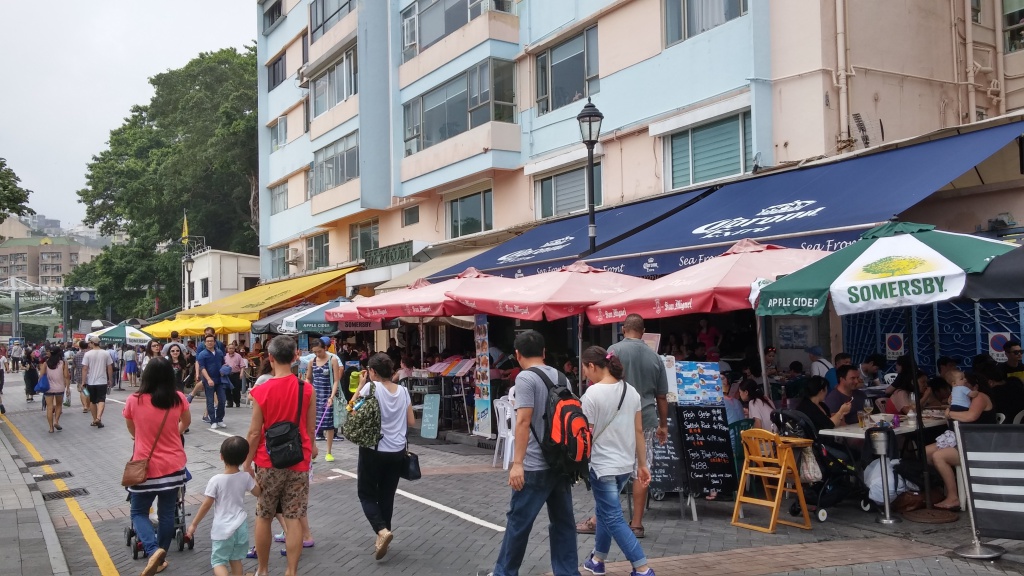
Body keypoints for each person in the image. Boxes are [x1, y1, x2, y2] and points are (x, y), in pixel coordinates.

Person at [489, 330, 579, 576]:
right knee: (563, 523)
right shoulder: (563, 377)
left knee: (519, 523)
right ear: (544, 352)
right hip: (561, 463)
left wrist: (517, 463)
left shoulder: (525, 379)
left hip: (535, 466)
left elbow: (523, 421)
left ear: (517, 355)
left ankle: (504, 573)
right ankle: (568, 572)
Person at [577, 314, 667, 540]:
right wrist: (663, 425)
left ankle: (600, 519)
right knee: (641, 471)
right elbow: (662, 396)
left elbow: (601, 383)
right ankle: (636, 524)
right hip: (644, 419)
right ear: (643, 331)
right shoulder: (655, 357)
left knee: (609, 468)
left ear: (624, 329)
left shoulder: (613, 350)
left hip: (615, 419)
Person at [578, 346, 655, 576]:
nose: (584, 374)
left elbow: (585, 433)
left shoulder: (591, 395)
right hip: (625, 464)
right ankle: (598, 559)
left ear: (592, 366)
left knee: (612, 517)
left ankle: (642, 567)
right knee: (604, 512)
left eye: (584, 368)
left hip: (602, 465)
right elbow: (639, 431)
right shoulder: (631, 391)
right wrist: (642, 465)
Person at [244, 335, 316, 576]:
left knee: (264, 515)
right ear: (295, 357)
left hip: (268, 460)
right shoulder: (306, 389)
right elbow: (309, 427)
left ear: (270, 358)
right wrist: (312, 450)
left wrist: (246, 462)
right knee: (294, 516)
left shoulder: (260, 391)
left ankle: (263, 569)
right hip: (298, 460)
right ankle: (291, 571)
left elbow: (255, 433)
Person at [123, 357, 191, 576]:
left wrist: (145, 439)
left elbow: (132, 432)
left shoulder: (134, 400)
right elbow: (186, 423)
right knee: (167, 512)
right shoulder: (178, 398)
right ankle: (161, 553)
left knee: (138, 511)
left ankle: (152, 550)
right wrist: (173, 433)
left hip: (145, 466)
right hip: (173, 465)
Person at [351, 353, 414, 560]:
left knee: (366, 494)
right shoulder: (403, 391)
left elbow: (351, 409)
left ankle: (381, 531)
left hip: (373, 449)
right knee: (387, 496)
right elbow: (411, 421)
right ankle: (383, 533)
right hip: (397, 451)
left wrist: (360, 386)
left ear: (373, 372)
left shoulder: (371, 388)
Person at [187, 436, 261, 576]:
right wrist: (253, 476)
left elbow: (206, 505)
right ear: (244, 457)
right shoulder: (245, 477)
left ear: (221, 456)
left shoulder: (216, 480)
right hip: (240, 527)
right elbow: (258, 493)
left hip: (222, 529)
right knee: (236, 560)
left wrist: (194, 524)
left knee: (218, 562)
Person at [926, 371, 997, 510]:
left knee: (939, 456)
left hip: (978, 444)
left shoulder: (980, 397)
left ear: (974, 387)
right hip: (961, 440)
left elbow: (971, 417)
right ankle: (948, 488)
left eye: (965, 384)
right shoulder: (962, 400)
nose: (961, 387)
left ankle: (953, 498)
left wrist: (950, 412)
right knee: (926, 452)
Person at [304, 337, 341, 462]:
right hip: (315, 397)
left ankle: (329, 452)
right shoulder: (312, 362)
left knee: (329, 425)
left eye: (319, 351)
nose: (317, 354)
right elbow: (308, 378)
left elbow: (336, 380)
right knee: (313, 424)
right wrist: (307, 387)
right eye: (315, 352)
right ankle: (313, 451)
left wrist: (332, 396)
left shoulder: (332, 360)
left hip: (327, 396)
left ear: (325, 348)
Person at [80, 336, 113, 428]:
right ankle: (98, 418)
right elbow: (109, 367)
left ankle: (95, 419)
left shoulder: (87, 354)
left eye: (89, 343)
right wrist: (110, 379)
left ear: (92, 343)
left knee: (93, 401)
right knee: (102, 399)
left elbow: (85, 368)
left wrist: (83, 381)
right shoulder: (105, 353)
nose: (89, 344)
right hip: (102, 381)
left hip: (91, 381)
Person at [197, 335, 228, 429]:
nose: (210, 342)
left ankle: (219, 419)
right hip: (209, 380)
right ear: (205, 343)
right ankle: (213, 420)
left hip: (220, 379)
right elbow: (202, 368)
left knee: (222, 400)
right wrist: (208, 379)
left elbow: (223, 363)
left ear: (215, 342)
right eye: (207, 341)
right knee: (210, 401)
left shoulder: (219, 352)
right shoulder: (202, 354)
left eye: (211, 341)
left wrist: (225, 369)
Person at [38, 346, 70, 433]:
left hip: (48, 388)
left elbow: (41, 376)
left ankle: (51, 428)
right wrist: (68, 388)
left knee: (49, 407)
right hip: (60, 388)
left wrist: (39, 385)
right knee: (59, 405)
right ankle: (56, 421)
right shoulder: (63, 363)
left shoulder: (45, 363)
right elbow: (66, 376)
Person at [224, 343, 248, 409]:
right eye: (229, 348)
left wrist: (241, 374)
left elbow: (242, 366)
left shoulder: (238, 356)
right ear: (227, 349)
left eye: (232, 348)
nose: (231, 349)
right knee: (227, 389)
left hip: (236, 374)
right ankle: (229, 402)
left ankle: (237, 402)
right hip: (227, 375)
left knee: (236, 389)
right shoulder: (225, 356)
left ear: (235, 349)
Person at [73, 340, 89, 412]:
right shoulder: (89, 354)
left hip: (79, 375)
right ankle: (88, 405)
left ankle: (85, 406)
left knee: (82, 391)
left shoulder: (76, 355)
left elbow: (74, 366)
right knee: (87, 391)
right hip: (89, 375)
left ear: (79, 346)